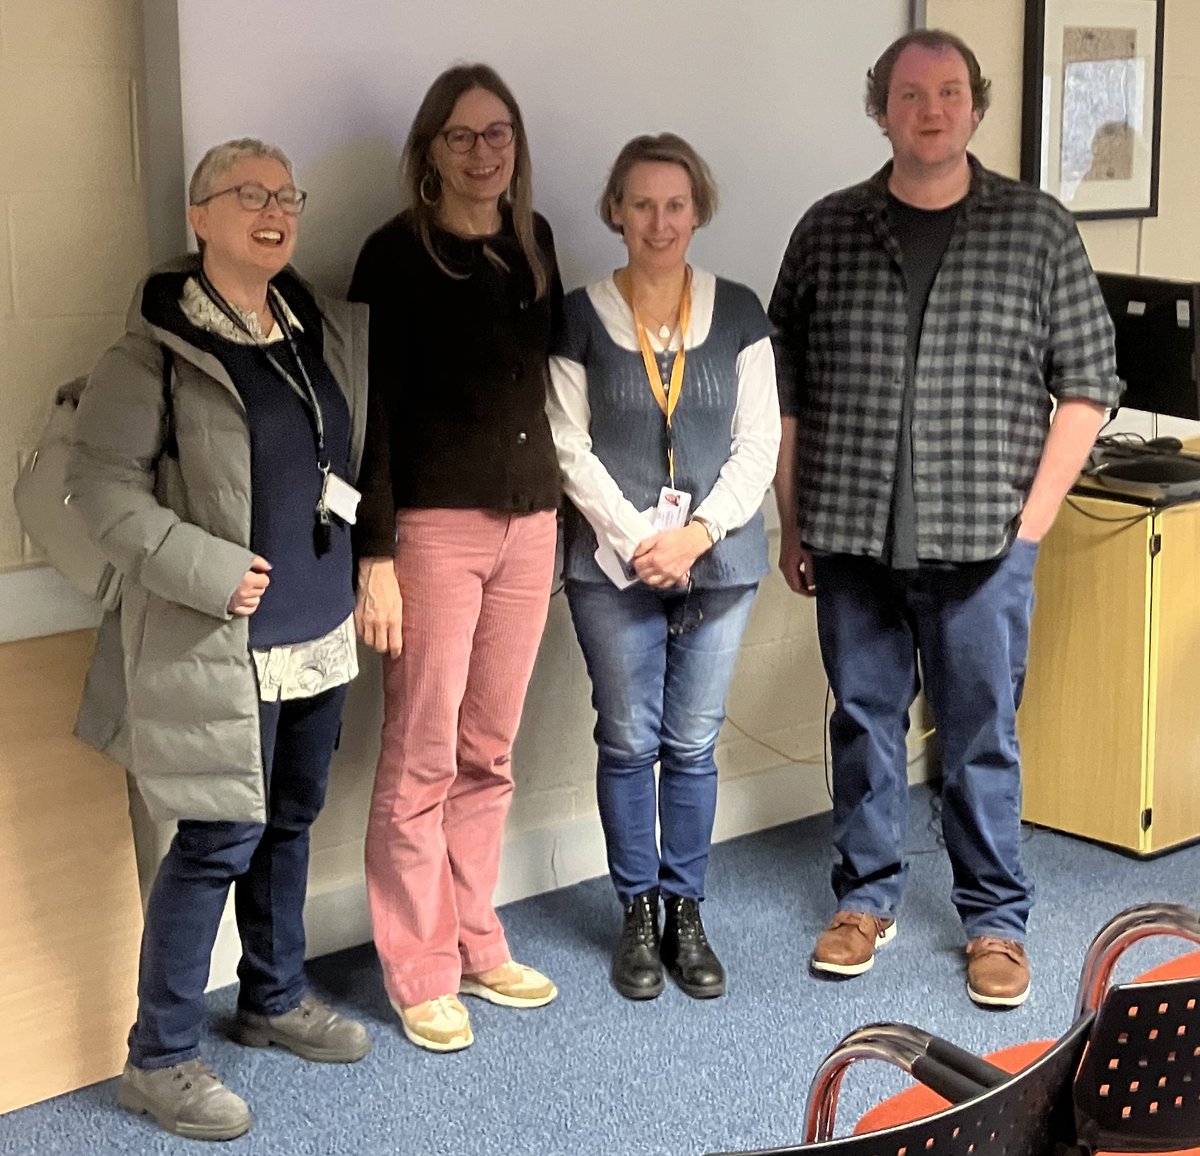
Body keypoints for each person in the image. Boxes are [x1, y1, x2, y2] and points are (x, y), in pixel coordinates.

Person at [769, 29, 1120, 1007]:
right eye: (911, 93)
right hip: (851, 536)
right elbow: (784, 391)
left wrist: (1032, 530)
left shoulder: (1036, 229)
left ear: (977, 106)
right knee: (865, 724)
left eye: (950, 92)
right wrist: (792, 520)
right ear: (882, 107)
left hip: (984, 542)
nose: (931, 109)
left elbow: (1089, 387)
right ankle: (865, 898)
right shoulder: (829, 230)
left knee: (980, 737)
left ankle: (995, 919)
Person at [67, 138, 372, 1141]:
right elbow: (98, 490)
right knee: (213, 839)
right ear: (199, 216)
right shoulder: (150, 349)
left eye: (288, 192)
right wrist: (203, 565)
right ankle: (156, 1057)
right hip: (216, 640)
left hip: (316, 628)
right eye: (250, 194)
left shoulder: (311, 326)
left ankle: (272, 996)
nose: (275, 210)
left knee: (290, 819)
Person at [349, 63, 562, 1052]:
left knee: (489, 751)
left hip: (531, 525)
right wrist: (377, 555)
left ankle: (480, 940)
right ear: (430, 150)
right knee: (423, 753)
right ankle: (420, 965)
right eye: (464, 135)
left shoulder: (534, 245)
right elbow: (372, 419)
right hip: (433, 531)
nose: (486, 151)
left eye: (500, 132)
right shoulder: (393, 258)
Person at [548, 134, 781, 1001]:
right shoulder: (577, 315)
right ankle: (635, 910)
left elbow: (761, 443)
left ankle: (687, 908)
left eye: (675, 204)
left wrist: (698, 533)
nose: (658, 221)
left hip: (718, 559)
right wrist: (638, 536)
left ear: (698, 210)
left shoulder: (743, 310)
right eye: (641, 204)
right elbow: (566, 443)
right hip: (611, 565)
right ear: (615, 210)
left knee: (691, 743)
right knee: (628, 738)